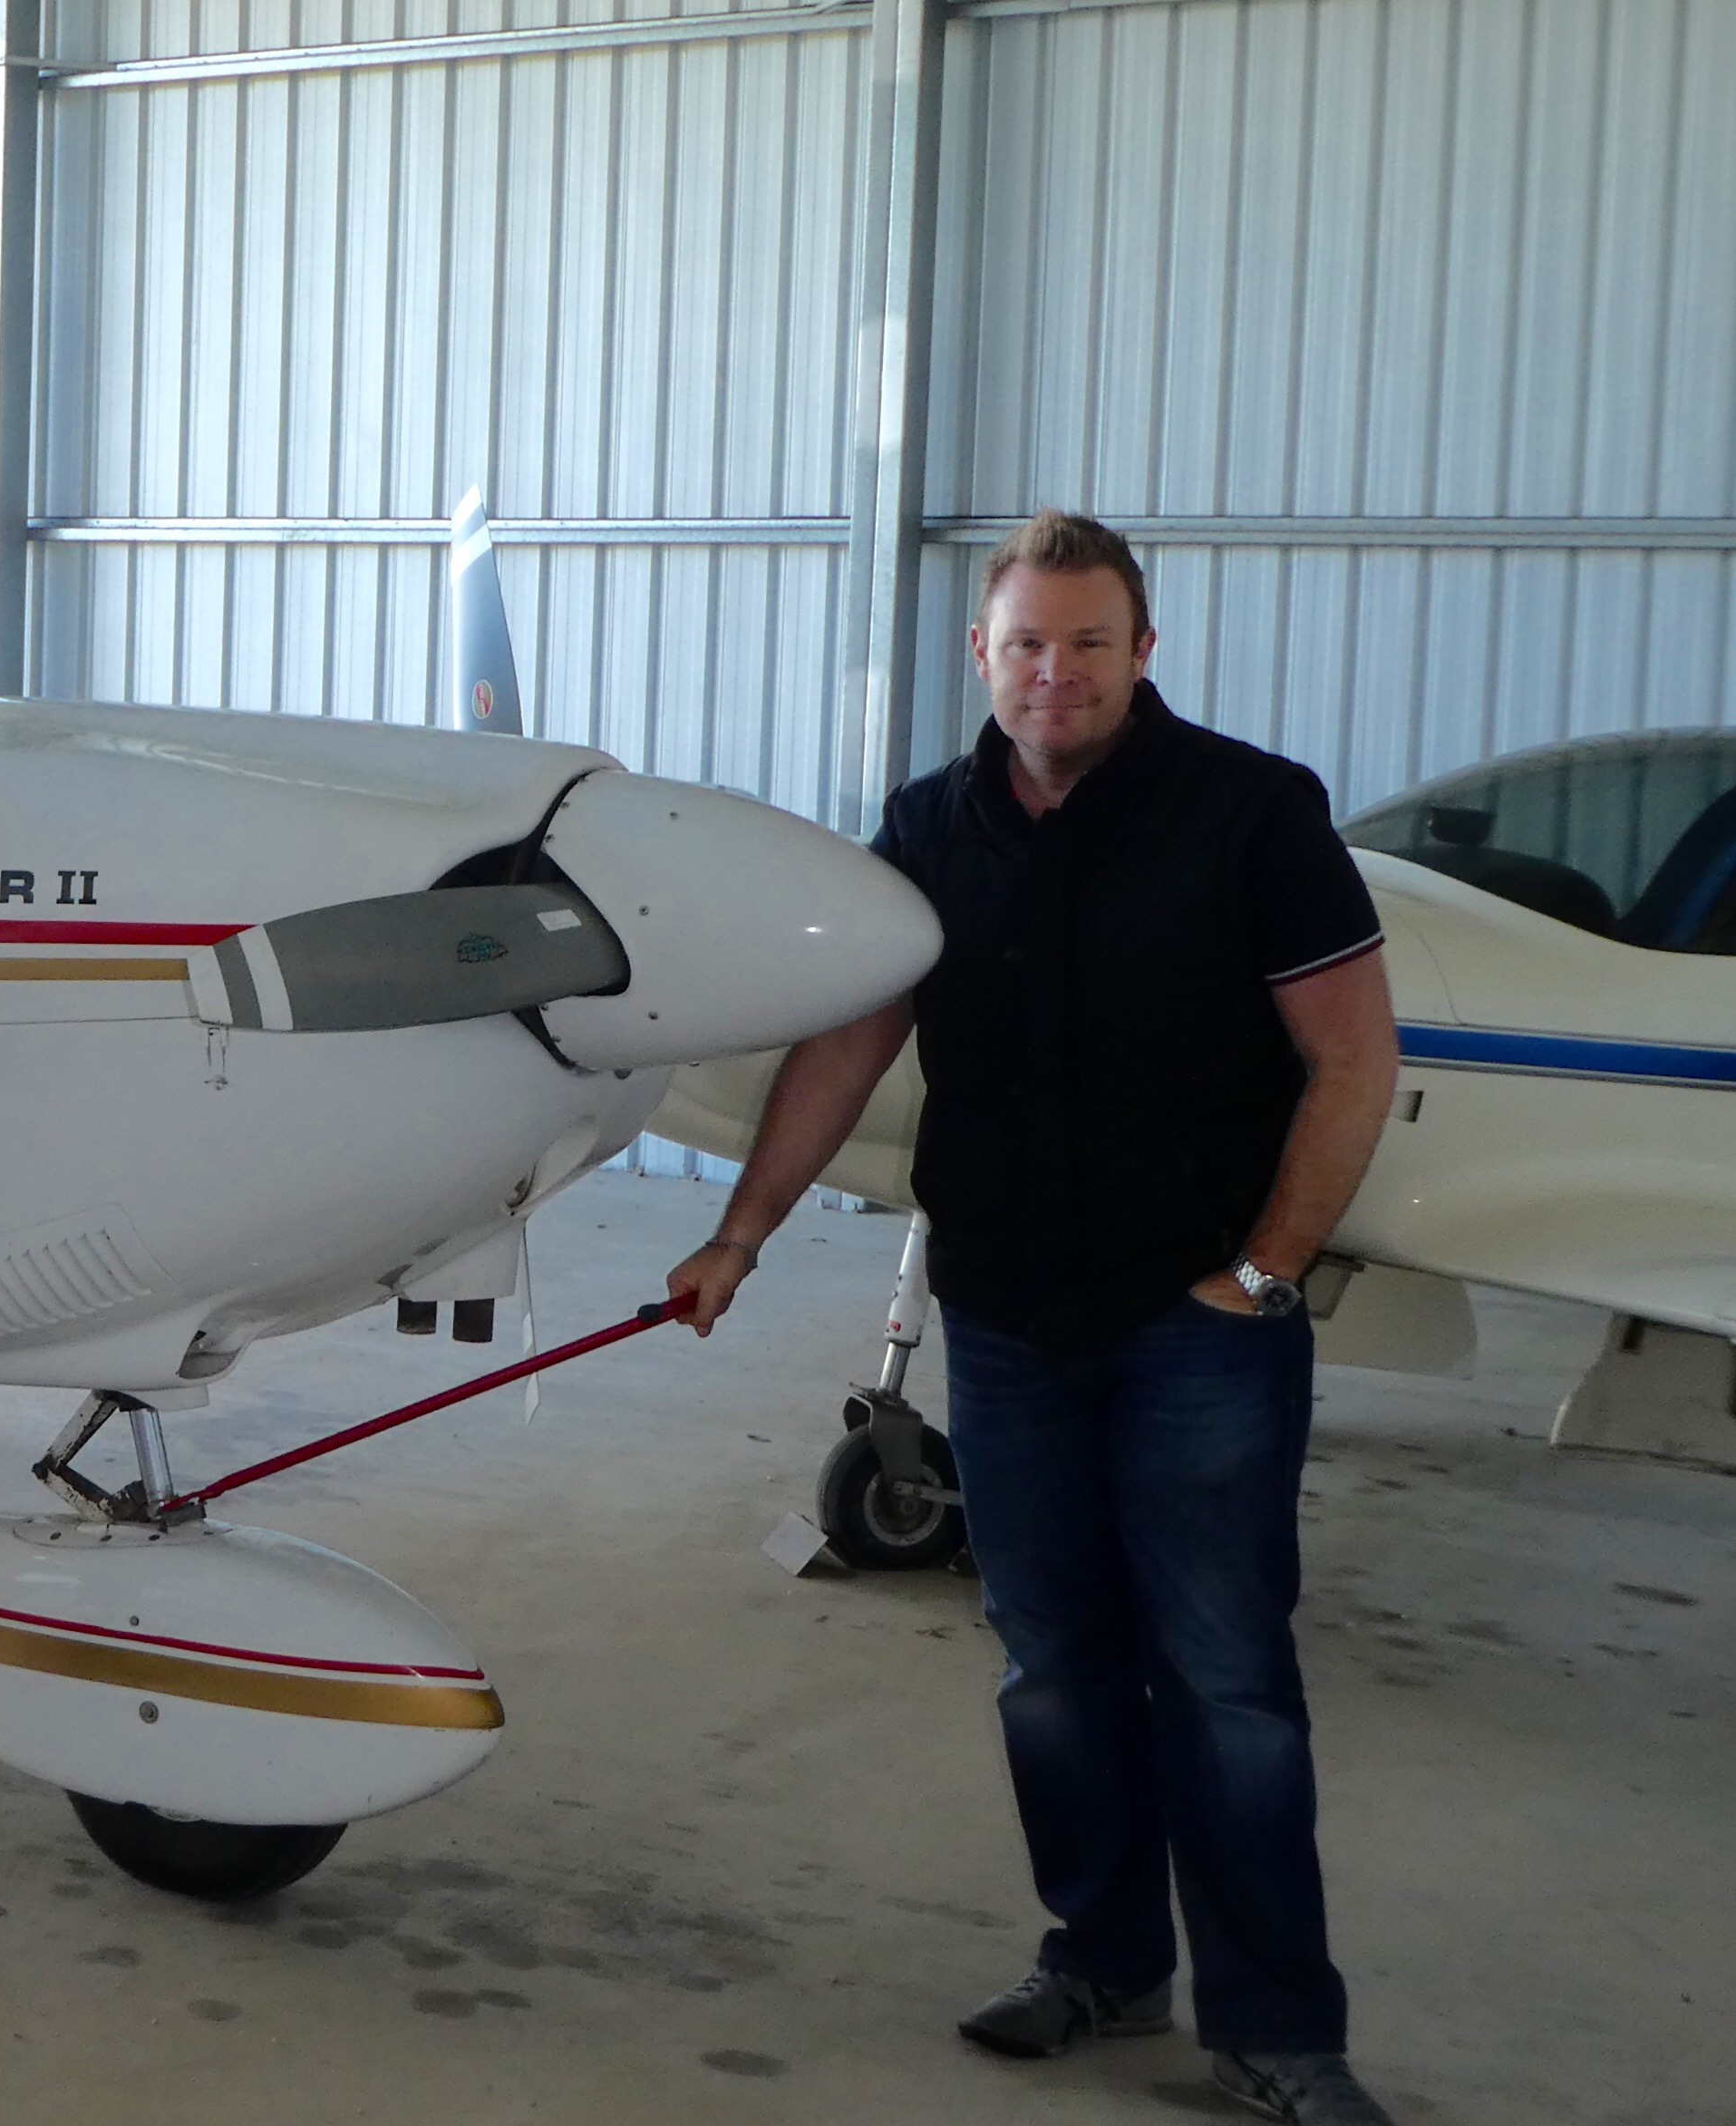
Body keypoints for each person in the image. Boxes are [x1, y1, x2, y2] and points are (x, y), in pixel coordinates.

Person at [662, 511, 1401, 2125]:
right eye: (1024, 644)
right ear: (980, 656)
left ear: (1141, 652)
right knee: (1051, 1664)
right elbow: (848, 1043)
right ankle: (1103, 1958)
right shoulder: (929, 824)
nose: (1052, 672)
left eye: (1085, 642)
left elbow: (1353, 1059)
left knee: (1222, 1678)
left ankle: (1277, 2027)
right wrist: (739, 1232)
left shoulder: (1251, 813)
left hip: (1199, 1318)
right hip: (1004, 1315)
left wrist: (1264, 1268)